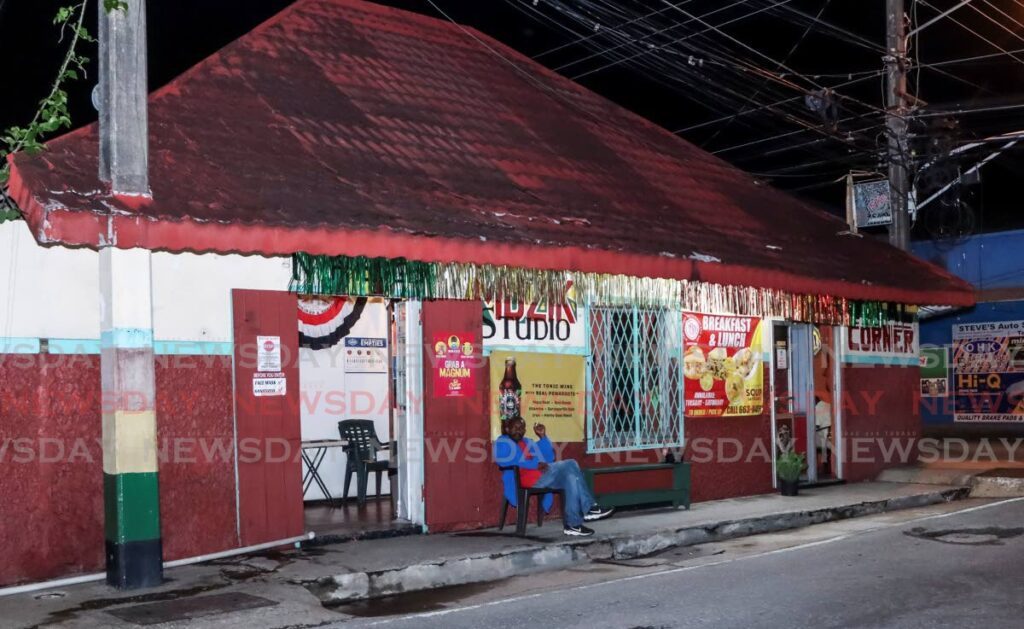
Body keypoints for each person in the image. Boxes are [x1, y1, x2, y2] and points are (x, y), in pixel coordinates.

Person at [494, 415, 614, 536]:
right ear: (508, 429)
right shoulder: (502, 442)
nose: (520, 431)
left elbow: (549, 457)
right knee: (571, 463)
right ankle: (588, 508)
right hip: (525, 480)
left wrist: (542, 437)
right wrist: (535, 464)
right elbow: (504, 461)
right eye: (516, 428)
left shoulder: (528, 442)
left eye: (522, 428)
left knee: (571, 478)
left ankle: (573, 525)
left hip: (544, 476)